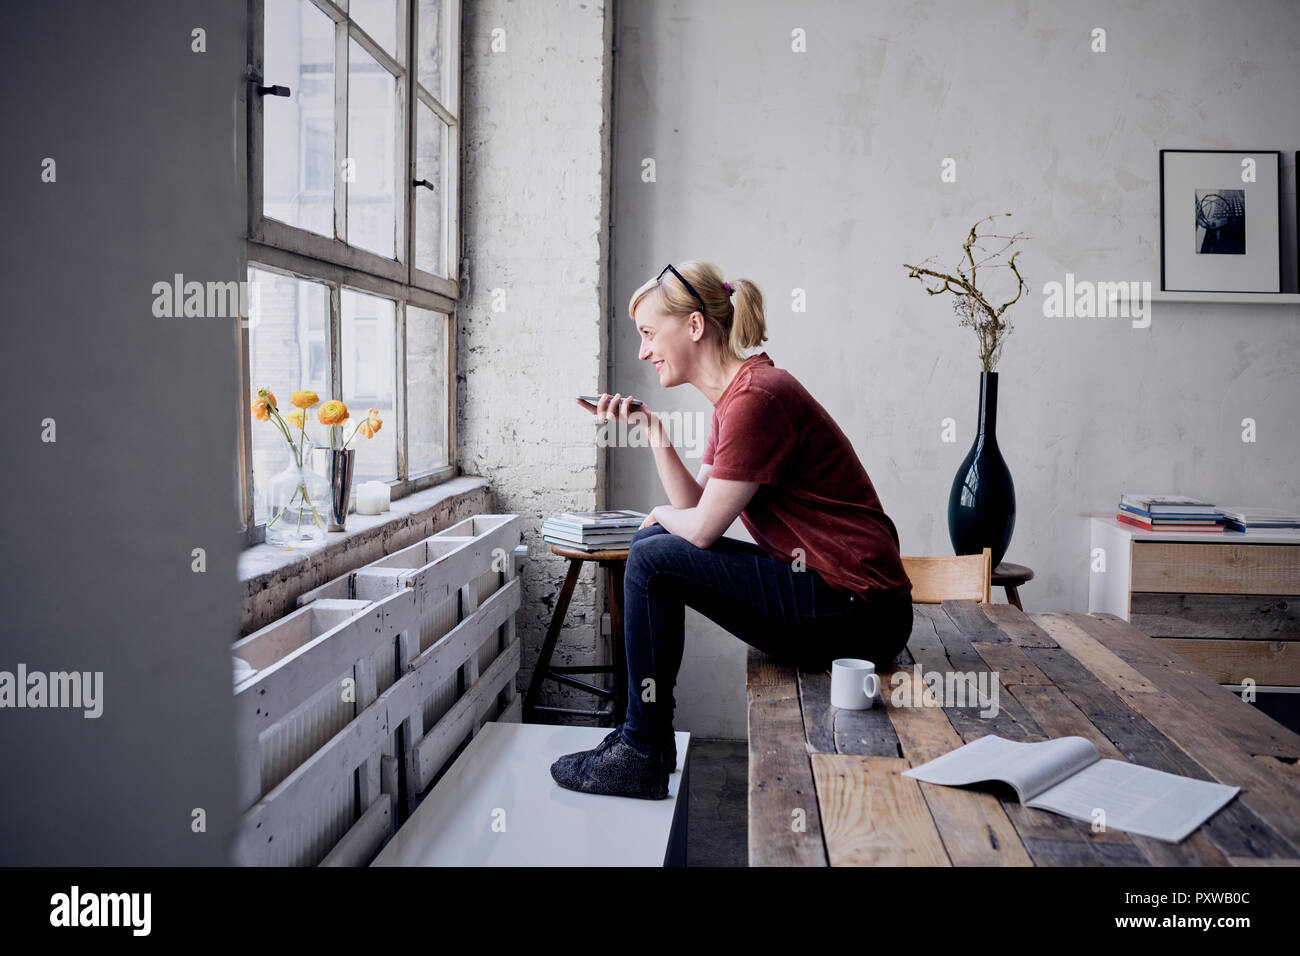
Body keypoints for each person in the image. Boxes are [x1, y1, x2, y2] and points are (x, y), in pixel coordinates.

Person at [550, 261, 913, 800]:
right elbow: (697, 511)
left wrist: (659, 516)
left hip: (862, 613)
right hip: (842, 599)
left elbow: (696, 530)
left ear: (694, 326)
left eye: (649, 334)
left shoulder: (757, 399)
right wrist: (653, 431)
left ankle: (641, 748)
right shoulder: (737, 398)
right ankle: (644, 741)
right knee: (654, 546)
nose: (644, 352)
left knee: (652, 552)